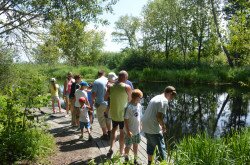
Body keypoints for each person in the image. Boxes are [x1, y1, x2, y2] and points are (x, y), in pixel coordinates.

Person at [142, 86, 176, 164]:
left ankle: (149, 163)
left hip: (145, 124)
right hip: (152, 125)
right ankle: (163, 163)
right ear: (170, 93)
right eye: (172, 97)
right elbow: (159, 117)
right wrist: (163, 126)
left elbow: (154, 114)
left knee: (150, 144)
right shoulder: (164, 101)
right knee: (161, 148)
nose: (171, 99)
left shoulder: (157, 97)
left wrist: (159, 124)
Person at [106, 70, 132, 158]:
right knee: (122, 132)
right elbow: (130, 100)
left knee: (114, 130)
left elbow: (105, 97)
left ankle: (111, 148)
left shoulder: (111, 86)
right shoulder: (127, 87)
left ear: (118, 77)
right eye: (127, 77)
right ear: (125, 78)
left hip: (114, 112)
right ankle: (121, 151)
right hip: (123, 114)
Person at [124, 89, 143, 165]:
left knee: (136, 145)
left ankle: (135, 159)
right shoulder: (129, 107)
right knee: (128, 146)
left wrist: (141, 125)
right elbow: (125, 120)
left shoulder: (139, 105)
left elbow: (140, 117)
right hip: (130, 131)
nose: (141, 99)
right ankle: (126, 158)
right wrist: (128, 131)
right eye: (140, 98)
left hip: (137, 130)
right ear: (135, 97)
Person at [91, 70, 111, 140]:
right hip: (109, 103)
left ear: (98, 74)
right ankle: (110, 133)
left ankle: (105, 134)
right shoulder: (108, 80)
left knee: (101, 118)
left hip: (100, 103)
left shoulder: (96, 81)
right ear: (104, 74)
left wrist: (92, 101)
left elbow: (93, 93)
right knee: (108, 118)